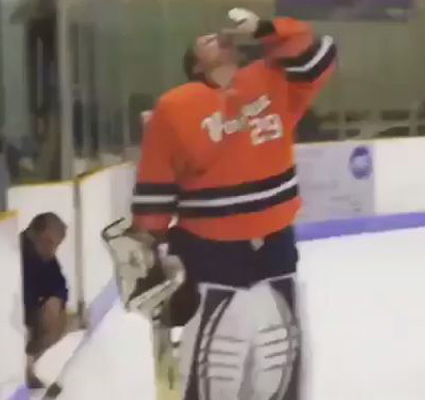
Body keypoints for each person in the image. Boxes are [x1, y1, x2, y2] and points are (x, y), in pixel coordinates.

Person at [130, 8, 336, 399]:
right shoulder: (174, 107)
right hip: (210, 258)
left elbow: (319, 54)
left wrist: (265, 29)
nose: (215, 38)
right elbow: (154, 190)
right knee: (215, 373)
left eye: (219, 36)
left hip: (275, 251)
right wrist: (148, 251)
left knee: (280, 368)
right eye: (204, 41)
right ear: (194, 66)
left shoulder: (271, 77)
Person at [20, 212, 68, 388]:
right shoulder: (19, 252)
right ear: (36, 235)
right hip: (17, 315)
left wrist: (55, 298)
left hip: (33, 313)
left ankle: (32, 364)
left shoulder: (44, 256)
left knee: (57, 315)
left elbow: (60, 284)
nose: (52, 250)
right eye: (49, 242)